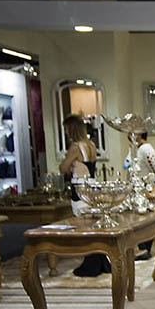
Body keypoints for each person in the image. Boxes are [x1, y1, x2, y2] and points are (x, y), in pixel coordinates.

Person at [59, 114, 110, 277]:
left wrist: (68, 163)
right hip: (92, 186)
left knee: (84, 226)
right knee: (93, 224)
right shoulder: (91, 145)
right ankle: (101, 260)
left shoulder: (75, 147)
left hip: (80, 188)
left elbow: (63, 168)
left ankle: (91, 263)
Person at [134, 131, 155, 260]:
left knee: (146, 220)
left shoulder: (146, 149)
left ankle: (145, 248)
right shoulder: (139, 149)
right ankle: (143, 248)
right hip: (141, 188)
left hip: (145, 189)